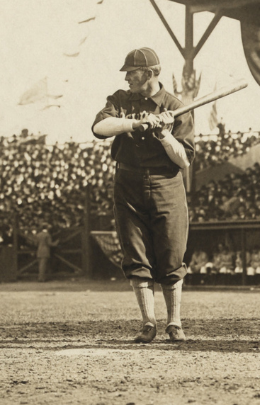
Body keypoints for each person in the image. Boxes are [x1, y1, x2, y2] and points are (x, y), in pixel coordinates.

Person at [92, 47, 194, 343]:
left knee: (172, 253)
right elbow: (99, 127)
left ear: (149, 74)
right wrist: (134, 124)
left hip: (167, 184)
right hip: (128, 181)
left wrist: (164, 133)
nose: (127, 78)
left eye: (132, 73)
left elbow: (184, 161)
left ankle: (174, 322)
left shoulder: (176, 106)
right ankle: (148, 322)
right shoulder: (120, 100)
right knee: (136, 253)